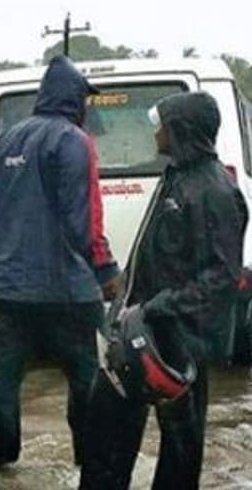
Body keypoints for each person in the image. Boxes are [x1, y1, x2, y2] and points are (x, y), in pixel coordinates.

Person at [80, 92, 248, 490]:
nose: (155, 132)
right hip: (139, 330)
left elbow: (222, 278)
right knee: (106, 426)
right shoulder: (176, 175)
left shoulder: (216, 191)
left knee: (180, 448)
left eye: (163, 125)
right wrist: (124, 301)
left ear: (181, 130)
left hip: (180, 338)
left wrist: (160, 307)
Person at [0, 56, 122, 466]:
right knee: (88, 377)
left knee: (1, 376)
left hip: (4, 287)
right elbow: (84, 219)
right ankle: (91, 462)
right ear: (75, 100)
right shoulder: (74, 141)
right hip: (68, 290)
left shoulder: (0, 144)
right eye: (85, 101)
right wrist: (106, 270)